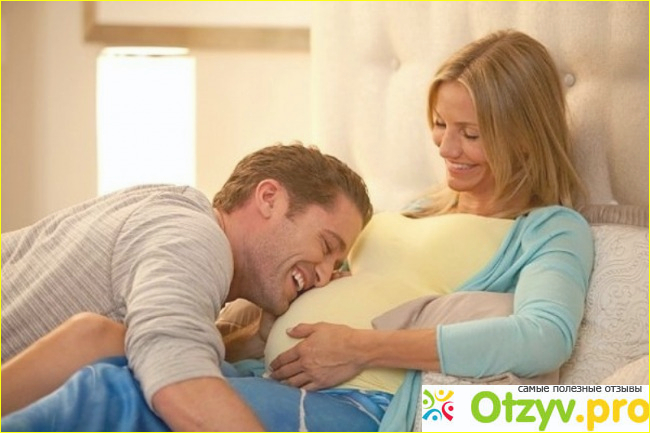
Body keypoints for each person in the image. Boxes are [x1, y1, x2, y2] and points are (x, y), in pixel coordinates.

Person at [1, 29, 594, 432]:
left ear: (523, 134)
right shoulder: (409, 211)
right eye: (439, 124)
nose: (446, 147)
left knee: (111, 397)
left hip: (365, 398)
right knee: (98, 357)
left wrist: (362, 347)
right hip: (266, 376)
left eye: (471, 132)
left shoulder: (548, 229)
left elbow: (543, 337)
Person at [0, 142, 373, 431]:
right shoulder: (195, 239)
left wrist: (255, 341)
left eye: (336, 265)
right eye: (326, 246)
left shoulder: (169, 207)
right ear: (268, 198)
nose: (325, 276)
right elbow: (175, 367)